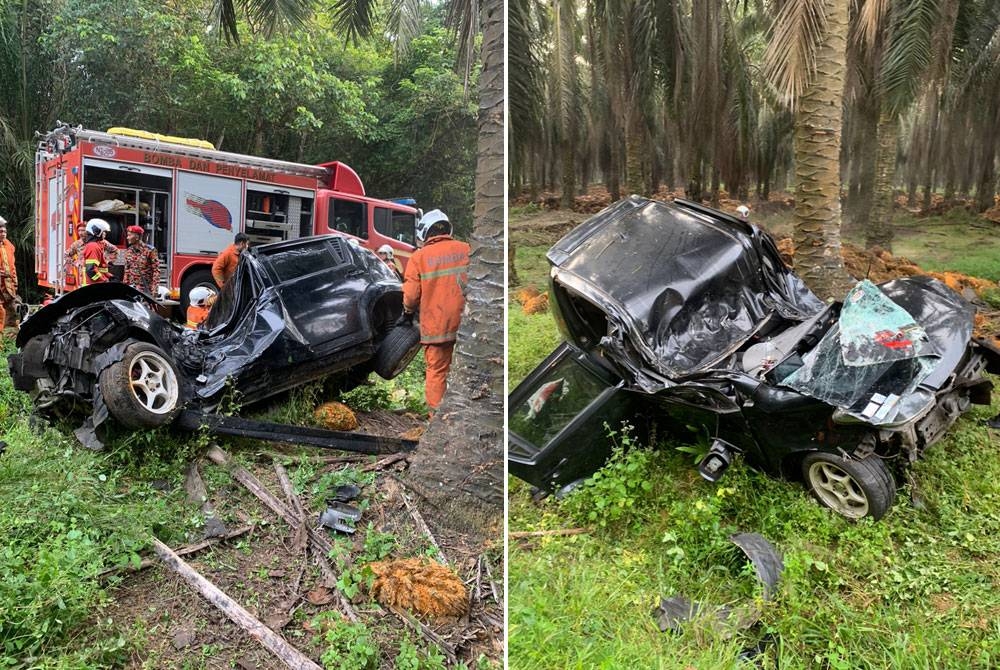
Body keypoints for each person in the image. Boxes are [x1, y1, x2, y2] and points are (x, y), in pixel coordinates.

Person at [400, 209, 470, 412]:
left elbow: (411, 295)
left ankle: (438, 421)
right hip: (468, 324)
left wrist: (407, 313)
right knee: (468, 370)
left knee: (437, 372)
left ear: (424, 232)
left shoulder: (419, 257)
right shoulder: (467, 249)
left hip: (437, 327)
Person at [66, 221, 118, 286]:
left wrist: (107, 261)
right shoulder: (76, 244)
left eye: (83, 230)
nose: (80, 233)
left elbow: (115, 250)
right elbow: (66, 255)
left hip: (98, 275)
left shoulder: (102, 242)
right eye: (79, 230)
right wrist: (76, 262)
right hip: (84, 277)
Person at [123, 225, 160, 294]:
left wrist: (154, 289)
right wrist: (125, 287)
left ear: (137, 237)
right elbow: (127, 271)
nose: (127, 238)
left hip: (145, 290)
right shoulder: (128, 251)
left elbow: (156, 271)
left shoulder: (150, 250)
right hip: (132, 290)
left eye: (129, 235)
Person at [0, 217, 19, 336]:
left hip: (9, 285)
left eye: (4, 231)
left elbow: (13, 266)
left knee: (14, 309)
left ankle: (12, 338)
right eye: (0, 231)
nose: (3, 234)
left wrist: (15, 281)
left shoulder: (9, 246)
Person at [82, 219, 113, 285]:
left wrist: (110, 277)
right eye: (104, 231)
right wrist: (104, 280)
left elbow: (100, 268)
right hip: (92, 287)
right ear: (96, 231)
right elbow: (91, 270)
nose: (105, 233)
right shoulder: (93, 246)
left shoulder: (96, 245)